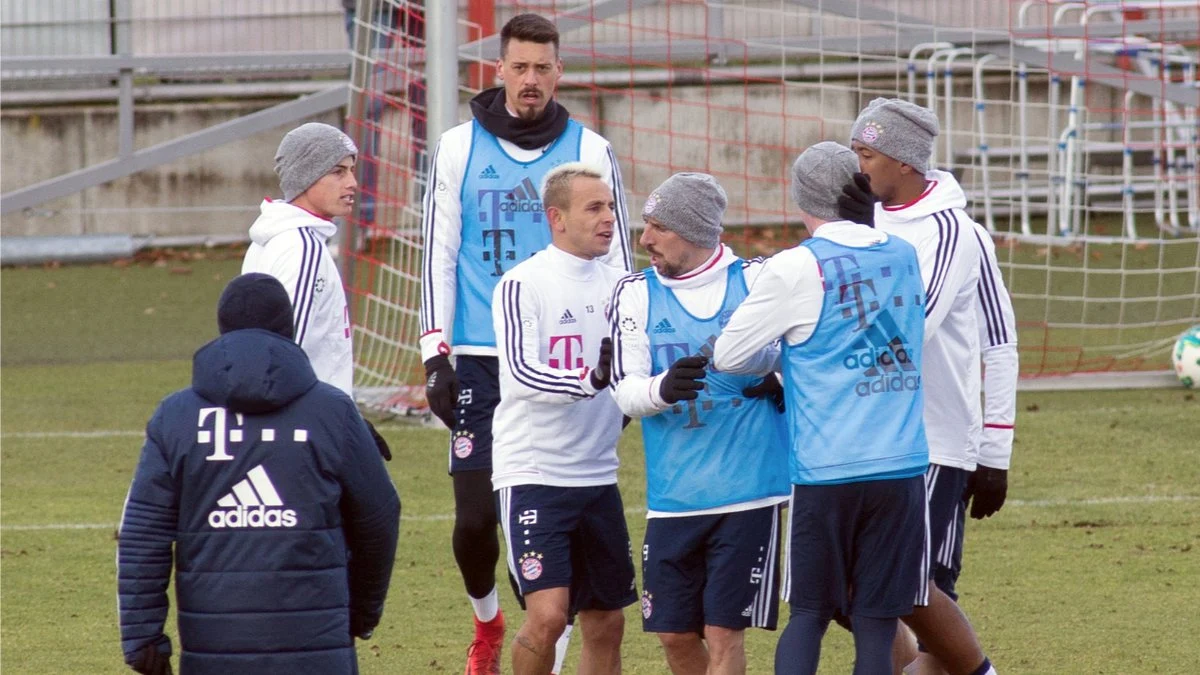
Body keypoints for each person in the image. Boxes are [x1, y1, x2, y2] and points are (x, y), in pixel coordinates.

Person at [418, 12, 633, 673]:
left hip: (568, 358)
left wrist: (626, 359)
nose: (531, 79)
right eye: (519, 67)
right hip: (483, 360)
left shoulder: (590, 149)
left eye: (543, 67)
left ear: (558, 71)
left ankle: (551, 638)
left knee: (568, 517)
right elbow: (440, 246)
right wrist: (435, 348)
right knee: (474, 520)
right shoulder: (457, 146)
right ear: (499, 71)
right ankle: (489, 621)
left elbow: (621, 258)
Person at [711, 142, 931, 675]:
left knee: (808, 613)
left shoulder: (796, 267)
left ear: (801, 198)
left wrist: (785, 356)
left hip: (826, 470)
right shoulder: (903, 254)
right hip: (900, 466)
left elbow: (729, 354)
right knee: (878, 623)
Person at [116, 273, 400, 675]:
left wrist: (142, 636)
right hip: (318, 651)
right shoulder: (334, 412)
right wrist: (360, 612)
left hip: (213, 654)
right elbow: (380, 517)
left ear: (222, 329)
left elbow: (142, 534)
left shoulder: (175, 416)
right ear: (289, 330)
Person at [845, 97, 1009, 675]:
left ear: (905, 162)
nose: (857, 167)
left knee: (921, 598)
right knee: (866, 597)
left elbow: (944, 328)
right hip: (866, 441)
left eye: (865, 154)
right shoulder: (863, 221)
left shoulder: (955, 233)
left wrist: (994, 450)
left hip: (935, 443)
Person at [607, 172, 789, 675]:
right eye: (645, 224)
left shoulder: (756, 281)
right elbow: (625, 387)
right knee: (672, 633)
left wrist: (779, 377)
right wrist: (661, 391)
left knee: (723, 633)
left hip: (751, 491)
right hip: (673, 498)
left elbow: (812, 354)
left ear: (693, 231)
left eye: (658, 227)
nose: (644, 239)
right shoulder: (634, 293)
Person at [490, 163, 637, 675]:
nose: (608, 218)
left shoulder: (624, 287)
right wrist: (589, 380)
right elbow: (520, 375)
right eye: (594, 208)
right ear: (556, 217)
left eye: (611, 207)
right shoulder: (520, 284)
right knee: (549, 617)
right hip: (535, 475)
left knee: (606, 620)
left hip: (598, 476)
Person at [241, 122, 392, 461]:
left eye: (352, 170)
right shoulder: (303, 249)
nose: (352, 183)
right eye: (338, 171)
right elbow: (286, 355)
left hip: (288, 425)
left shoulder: (272, 239)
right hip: (307, 432)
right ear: (305, 176)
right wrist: (345, 421)